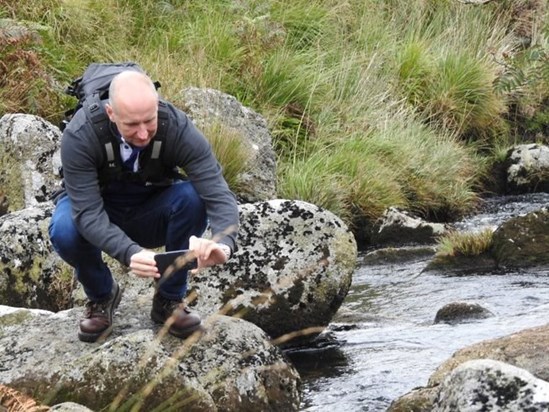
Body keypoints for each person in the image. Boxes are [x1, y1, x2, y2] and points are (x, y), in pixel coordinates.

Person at [49, 70, 239, 343]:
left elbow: (217, 191)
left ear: (157, 105)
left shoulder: (176, 126)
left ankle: (169, 299)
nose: (142, 133)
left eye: (149, 121)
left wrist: (223, 243)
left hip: (152, 207)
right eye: (132, 124)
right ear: (111, 113)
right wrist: (129, 252)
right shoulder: (81, 135)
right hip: (97, 210)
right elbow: (87, 213)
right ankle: (102, 296)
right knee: (64, 229)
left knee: (193, 197)